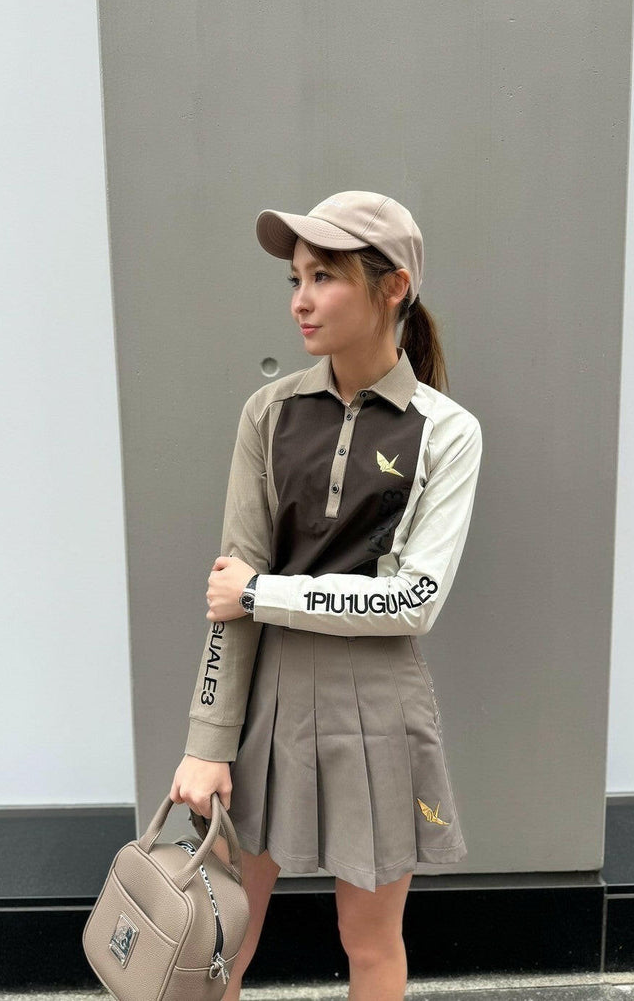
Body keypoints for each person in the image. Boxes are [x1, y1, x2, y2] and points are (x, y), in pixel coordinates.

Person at [170, 190, 483, 1001]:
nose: (300, 300)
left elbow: (412, 600)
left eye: (324, 276)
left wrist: (263, 593)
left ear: (393, 286)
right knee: (216, 942)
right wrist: (207, 740)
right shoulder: (268, 414)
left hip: (379, 709)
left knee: (370, 943)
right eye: (295, 278)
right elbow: (228, 593)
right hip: (262, 707)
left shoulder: (446, 431)